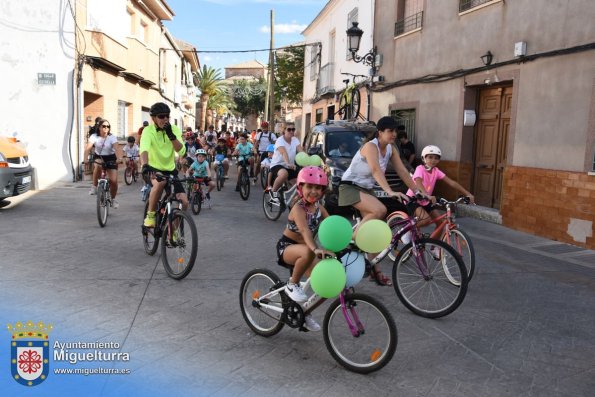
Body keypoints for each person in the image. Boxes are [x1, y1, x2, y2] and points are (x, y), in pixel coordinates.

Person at [338, 116, 428, 286]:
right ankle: (350, 241)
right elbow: (375, 169)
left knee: (372, 230)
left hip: (365, 189)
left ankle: (375, 271)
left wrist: (418, 192)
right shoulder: (370, 146)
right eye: (390, 131)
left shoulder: (391, 148)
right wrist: (389, 191)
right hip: (349, 186)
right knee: (379, 210)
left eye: (395, 131)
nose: (394, 134)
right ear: (380, 132)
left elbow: (402, 171)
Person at [277, 166, 334, 331]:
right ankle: (292, 283)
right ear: (301, 188)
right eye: (309, 187)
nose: (313, 191)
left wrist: (353, 240)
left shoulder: (319, 208)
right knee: (309, 249)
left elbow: (332, 225)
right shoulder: (298, 208)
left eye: (317, 188)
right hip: (288, 248)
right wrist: (316, 249)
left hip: (307, 251)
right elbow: (305, 230)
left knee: (328, 284)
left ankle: (304, 312)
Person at [140, 102, 188, 228]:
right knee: (160, 183)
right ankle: (150, 216)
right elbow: (144, 149)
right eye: (161, 116)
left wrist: (171, 135)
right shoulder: (147, 131)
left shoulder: (174, 129)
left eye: (167, 116)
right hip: (152, 169)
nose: (165, 119)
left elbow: (182, 151)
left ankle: (173, 232)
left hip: (171, 170)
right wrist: (144, 165)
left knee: (184, 202)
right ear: (153, 118)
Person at [406, 145, 475, 229]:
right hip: (413, 199)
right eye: (430, 157)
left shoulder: (436, 171)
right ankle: (409, 231)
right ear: (424, 158)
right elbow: (418, 182)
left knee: (440, 224)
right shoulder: (420, 169)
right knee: (425, 220)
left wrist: (467, 193)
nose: (433, 160)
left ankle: (434, 243)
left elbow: (451, 182)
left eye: (436, 158)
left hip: (426, 200)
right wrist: (426, 195)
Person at [84, 118, 123, 209]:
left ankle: (112, 199)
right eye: (104, 126)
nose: (106, 128)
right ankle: (94, 187)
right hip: (99, 156)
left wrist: (119, 158)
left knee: (113, 181)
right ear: (99, 128)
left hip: (111, 157)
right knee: (97, 165)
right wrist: (85, 159)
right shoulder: (94, 136)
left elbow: (117, 148)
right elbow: (88, 148)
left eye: (108, 126)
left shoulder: (112, 137)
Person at [269, 124, 304, 202]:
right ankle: (273, 192)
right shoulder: (279, 140)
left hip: (290, 166)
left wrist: (309, 163)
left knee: (300, 185)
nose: (291, 131)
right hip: (278, 165)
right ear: (284, 131)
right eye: (289, 129)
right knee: (284, 174)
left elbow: (301, 152)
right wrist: (288, 163)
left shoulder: (295, 140)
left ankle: (292, 205)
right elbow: (283, 152)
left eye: (293, 129)